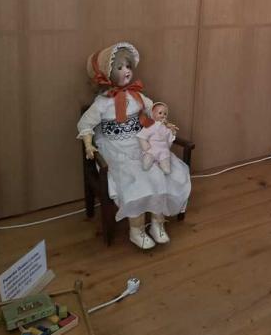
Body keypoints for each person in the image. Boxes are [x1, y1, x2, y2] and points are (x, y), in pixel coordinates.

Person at [77, 43, 190, 249]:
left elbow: (152, 109)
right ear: (107, 74)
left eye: (128, 66)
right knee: (134, 183)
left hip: (139, 142)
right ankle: (136, 230)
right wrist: (88, 144)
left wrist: (164, 123)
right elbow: (85, 124)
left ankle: (157, 223)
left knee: (160, 175)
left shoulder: (136, 95)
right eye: (120, 68)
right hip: (116, 148)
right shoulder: (102, 103)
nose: (126, 71)